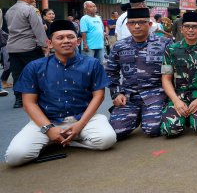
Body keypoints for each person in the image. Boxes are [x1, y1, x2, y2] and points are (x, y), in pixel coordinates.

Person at [4, 20, 116, 166]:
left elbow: (98, 96)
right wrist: (48, 129)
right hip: (46, 120)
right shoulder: (35, 67)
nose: (66, 41)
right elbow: (28, 103)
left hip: (84, 118)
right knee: (14, 157)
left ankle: (65, 140)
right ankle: (57, 138)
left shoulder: (92, 64)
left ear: (78, 41)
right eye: (60, 38)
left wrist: (80, 125)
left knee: (107, 140)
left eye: (70, 37)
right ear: (49, 43)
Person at [106, 8, 172, 139]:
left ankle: (148, 115)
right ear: (127, 25)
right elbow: (110, 72)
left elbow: (171, 73)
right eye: (132, 23)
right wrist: (117, 93)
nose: (136, 26)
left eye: (141, 22)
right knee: (115, 131)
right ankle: (136, 116)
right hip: (129, 96)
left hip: (155, 95)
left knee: (153, 129)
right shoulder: (119, 46)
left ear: (150, 24)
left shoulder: (164, 44)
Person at [161, 11, 197, 137]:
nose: (191, 30)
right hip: (179, 97)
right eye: (187, 26)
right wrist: (176, 101)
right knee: (170, 129)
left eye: (195, 27)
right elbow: (166, 79)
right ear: (181, 29)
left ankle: (191, 118)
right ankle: (184, 117)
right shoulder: (171, 50)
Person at [5, 0, 48, 109]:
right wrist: (45, 45)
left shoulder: (10, 10)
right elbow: (38, 29)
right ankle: (39, 98)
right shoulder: (31, 10)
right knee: (37, 73)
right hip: (29, 47)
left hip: (13, 47)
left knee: (17, 74)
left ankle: (19, 100)